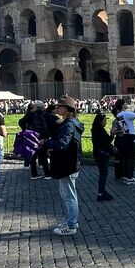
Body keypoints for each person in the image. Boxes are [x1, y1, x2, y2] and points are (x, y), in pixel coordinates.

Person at [47, 97, 85, 236]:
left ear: (68, 109)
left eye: (60, 106)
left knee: (69, 195)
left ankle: (71, 225)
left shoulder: (69, 124)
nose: (57, 108)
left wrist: (47, 143)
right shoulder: (70, 123)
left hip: (68, 164)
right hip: (69, 162)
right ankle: (71, 220)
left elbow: (62, 144)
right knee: (67, 194)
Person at [115, 99, 135, 185]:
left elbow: (132, 115)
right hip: (132, 137)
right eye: (124, 103)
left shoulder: (119, 115)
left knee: (127, 157)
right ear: (122, 105)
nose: (126, 103)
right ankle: (130, 177)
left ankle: (126, 175)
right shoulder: (126, 114)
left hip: (125, 136)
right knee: (132, 157)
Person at [18, 101, 50, 179]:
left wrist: (25, 129)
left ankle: (34, 174)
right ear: (43, 107)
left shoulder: (30, 114)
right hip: (43, 137)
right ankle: (47, 174)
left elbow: (21, 122)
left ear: (35, 107)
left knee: (32, 156)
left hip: (32, 137)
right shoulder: (46, 114)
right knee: (43, 156)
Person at [91, 113, 114, 201]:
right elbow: (107, 142)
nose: (106, 122)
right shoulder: (100, 131)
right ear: (100, 121)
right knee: (103, 174)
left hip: (98, 153)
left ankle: (102, 191)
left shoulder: (95, 129)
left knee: (103, 173)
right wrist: (112, 134)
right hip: (102, 154)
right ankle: (101, 193)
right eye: (104, 120)